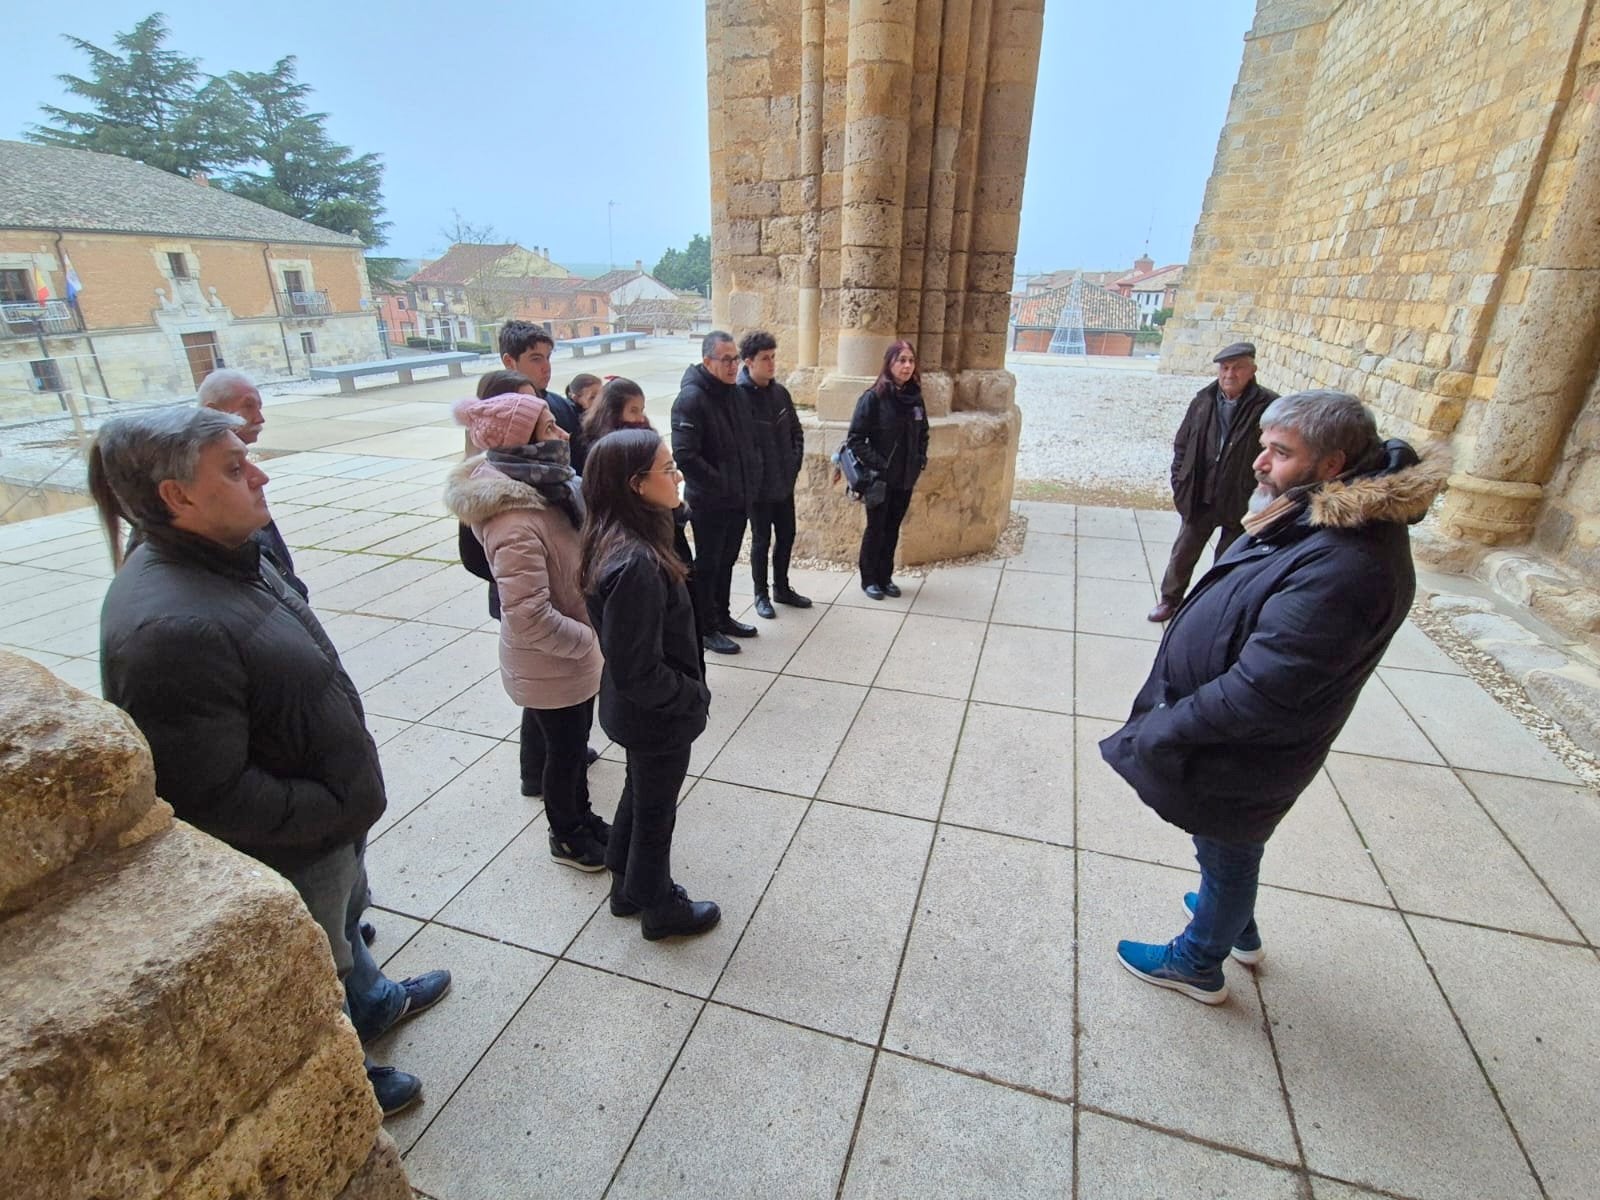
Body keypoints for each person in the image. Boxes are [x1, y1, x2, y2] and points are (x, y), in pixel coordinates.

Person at [90, 406, 451, 1117]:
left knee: (348, 924)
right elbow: (212, 794)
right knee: (316, 962)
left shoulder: (230, 552)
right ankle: (345, 1075)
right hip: (296, 840)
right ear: (177, 496)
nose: (258, 472)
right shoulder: (170, 625)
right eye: (232, 467)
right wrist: (334, 809)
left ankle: (373, 1003)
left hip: (328, 819)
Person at [1100, 390, 1445, 1005]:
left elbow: (1262, 689)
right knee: (1228, 846)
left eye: (1280, 452)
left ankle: (1200, 959)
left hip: (1246, 749)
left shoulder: (1350, 565)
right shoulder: (1326, 516)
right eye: (1264, 446)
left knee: (1229, 845)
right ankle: (1234, 921)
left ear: (1334, 465)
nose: (1261, 462)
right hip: (1244, 745)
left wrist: (1166, 726)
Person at [446, 388, 610, 871]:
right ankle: (567, 836)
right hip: (553, 660)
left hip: (568, 657)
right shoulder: (514, 517)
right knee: (562, 755)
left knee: (573, 745)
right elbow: (529, 615)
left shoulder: (548, 487)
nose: (562, 432)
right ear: (522, 445)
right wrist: (590, 643)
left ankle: (582, 817)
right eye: (548, 428)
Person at [581, 428, 720, 940]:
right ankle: (659, 906)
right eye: (667, 469)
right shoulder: (636, 563)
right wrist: (690, 696)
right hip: (656, 714)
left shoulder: (622, 535)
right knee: (656, 813)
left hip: (635, 712)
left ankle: (625, 888)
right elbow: (638, 667)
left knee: (639, 794)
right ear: (635, 485)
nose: (677, 474)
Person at [1148, 342, 1280, 623]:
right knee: (1183, 553)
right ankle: (1170, 601)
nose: (1230, 374)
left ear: (1252, 370)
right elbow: (1182, 444)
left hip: (1240, 496)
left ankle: (1212, 608)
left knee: (1228, 559)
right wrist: (1179, 480)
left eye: (1237, 367)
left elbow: (1277, 454)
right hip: (1200, 492)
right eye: (1225, 367)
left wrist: (1265, 493)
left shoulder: (1268, 406)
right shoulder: (1203, 400)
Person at [672, 330, 762, 655]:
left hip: (738, 500)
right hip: (710, 502)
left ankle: (722, 617)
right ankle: (705, 627)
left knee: (727, 561)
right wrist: (723, 485)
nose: (733, 365)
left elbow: (748, 443)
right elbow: (685, 456)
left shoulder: (735, 393)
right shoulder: (691, 398)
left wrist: (750, 480)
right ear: (707, 360)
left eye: (735, 358)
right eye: (726, 359)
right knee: (708, 565)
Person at [193, 369, 307, 598]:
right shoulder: (203, 480)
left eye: (260, 407)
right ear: (212, 412)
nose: (260, 418)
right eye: (249, 406)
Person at [846, 339, 929, 600]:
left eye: (910, 361)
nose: (906, 366)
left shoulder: (915, 398)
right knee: (876, 528)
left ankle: (885, 576)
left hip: (905, 477)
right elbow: (856, 439)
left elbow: (923, 432)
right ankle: (869, 579)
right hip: (880, 479)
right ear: (889, 364)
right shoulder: (874, 398)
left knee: (893, 528)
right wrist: (880, 464)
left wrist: (919, 459)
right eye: (901, 360)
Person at [738, 330, 810, 619]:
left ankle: (782, 587)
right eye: (765, 359)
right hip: (758, 489)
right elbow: (740, 445)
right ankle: (761, 594)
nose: (771, 364)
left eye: (773, 357)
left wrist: (793, 464)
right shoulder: (739, 398)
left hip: (784, 482)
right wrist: (755, 475)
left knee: (787, 534)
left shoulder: (780, 393)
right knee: (761, 540)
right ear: (749, 362)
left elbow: (796, 432)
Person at [499, 321, 582, 439]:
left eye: (548, 357)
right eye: (536, 359)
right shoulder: (494, 419)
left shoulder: (563, 406)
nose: (547, 368)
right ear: (509, 362)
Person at [565, 372, 605, 474]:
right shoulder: (577, 423)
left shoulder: (601, 414)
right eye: (592, 397)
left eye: (602, 395)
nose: (599, 401)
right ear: (576, 398)